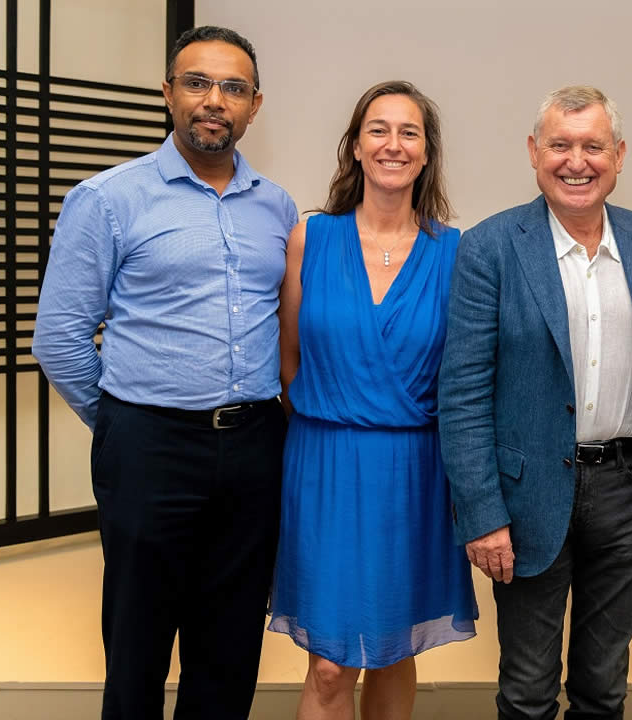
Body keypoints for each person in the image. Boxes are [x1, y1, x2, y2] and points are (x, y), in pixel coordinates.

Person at [31, 26, 296, 720]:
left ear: (255, 105)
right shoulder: (108, 198)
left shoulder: (279, 207)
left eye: (233, 88)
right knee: (137, 643)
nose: (215, 100)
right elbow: (58, 337)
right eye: (198, 83)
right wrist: (125, 419)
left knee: (230, 647)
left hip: (254, 446)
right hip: (148, 446)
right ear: (168, 93)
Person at [438, 85, 632, 720]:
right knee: (527, 688)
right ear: (533, 152)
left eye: (593, 146)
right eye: (559, 145)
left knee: (604, 686)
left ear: (619, 155)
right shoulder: (491, 246)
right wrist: (481, 513)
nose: (576, 161)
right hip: (526, 494)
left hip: (630, 489)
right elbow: (463, 391)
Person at [266, 81, 478, 720]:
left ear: (426, 153)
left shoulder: (455, 254)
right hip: (325, 464)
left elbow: (464, 378)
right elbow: (286, 360)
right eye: (378, 129)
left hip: (414, 471)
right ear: (355, 146)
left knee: (391, 645)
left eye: (408, 132)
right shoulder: (311, 237)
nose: (393, 143)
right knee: (330, 664)